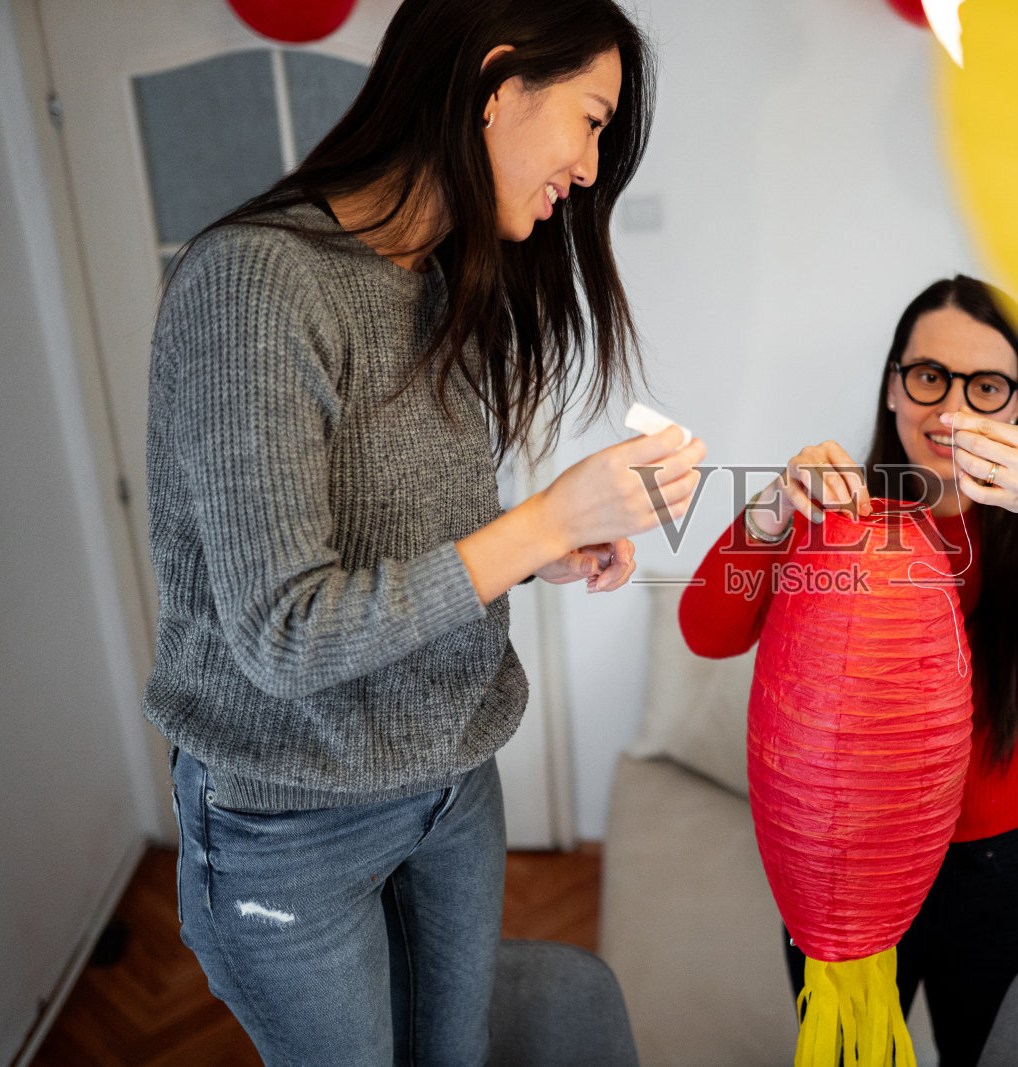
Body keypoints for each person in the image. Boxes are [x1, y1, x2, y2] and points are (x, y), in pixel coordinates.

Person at [142, 1, 704, 1061]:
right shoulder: (256, 283)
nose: (589, 168)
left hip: (451, 784)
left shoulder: (434, 279)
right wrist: (541, 518)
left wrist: (540, 545)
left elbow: (397, 541)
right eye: (589, 120)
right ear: (498, 86)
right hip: (289, 823)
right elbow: (286, 633)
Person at [678, 275, 1018, 1066]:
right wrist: (771, 506)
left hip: (1004, 868)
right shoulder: (837, 515)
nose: (951, 411)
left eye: (987, 386)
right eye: (929, 376)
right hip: (845, 858)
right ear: (893, 385)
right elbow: (706, 629)